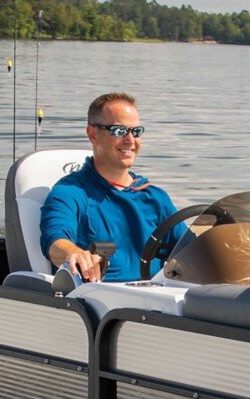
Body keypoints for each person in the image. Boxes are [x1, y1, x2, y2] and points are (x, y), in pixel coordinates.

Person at [39, 93, 178, 283]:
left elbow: (192, 249)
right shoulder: (69, 192)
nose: (130, 140)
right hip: (101, 304)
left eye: (136, 131)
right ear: (92, 134)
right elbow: (54, 241)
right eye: (119, 131)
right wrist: (75, 254)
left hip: (158, 301)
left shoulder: (156, 198)